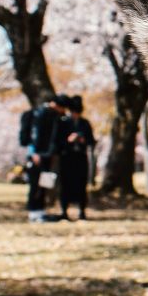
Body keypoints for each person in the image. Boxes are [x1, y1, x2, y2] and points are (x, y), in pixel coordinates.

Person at [22, 94, 69, 223]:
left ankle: (41, 211)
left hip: (48, 155)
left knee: (44, 183)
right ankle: (33, 213)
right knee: (35, 185)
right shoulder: (40, 114)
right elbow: (34, 135)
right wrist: (34, 153)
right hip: (37, 155)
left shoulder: (54, 117)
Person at [56, 96, 94, 221]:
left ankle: (82, 212)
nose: (75, 115)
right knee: (65, 185)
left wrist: (83, 140)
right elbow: (57, 142)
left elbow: (91, 141)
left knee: (81, 185)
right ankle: (64, 212)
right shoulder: (63, 123)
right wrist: (68, 140)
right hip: (66, 157)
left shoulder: (85, 123)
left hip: (81, 157)